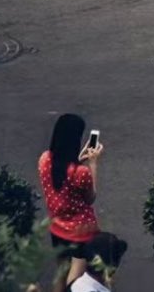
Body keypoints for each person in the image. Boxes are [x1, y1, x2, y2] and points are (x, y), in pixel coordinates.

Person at [39, 113, 100, 292]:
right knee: (75, 281)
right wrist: (93, 163)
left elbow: (63, 175)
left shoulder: (44, 160)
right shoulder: (80, 173)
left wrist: (79, 160)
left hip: (57, 228)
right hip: (81, 233)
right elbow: (91, 198)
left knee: (61, 272)